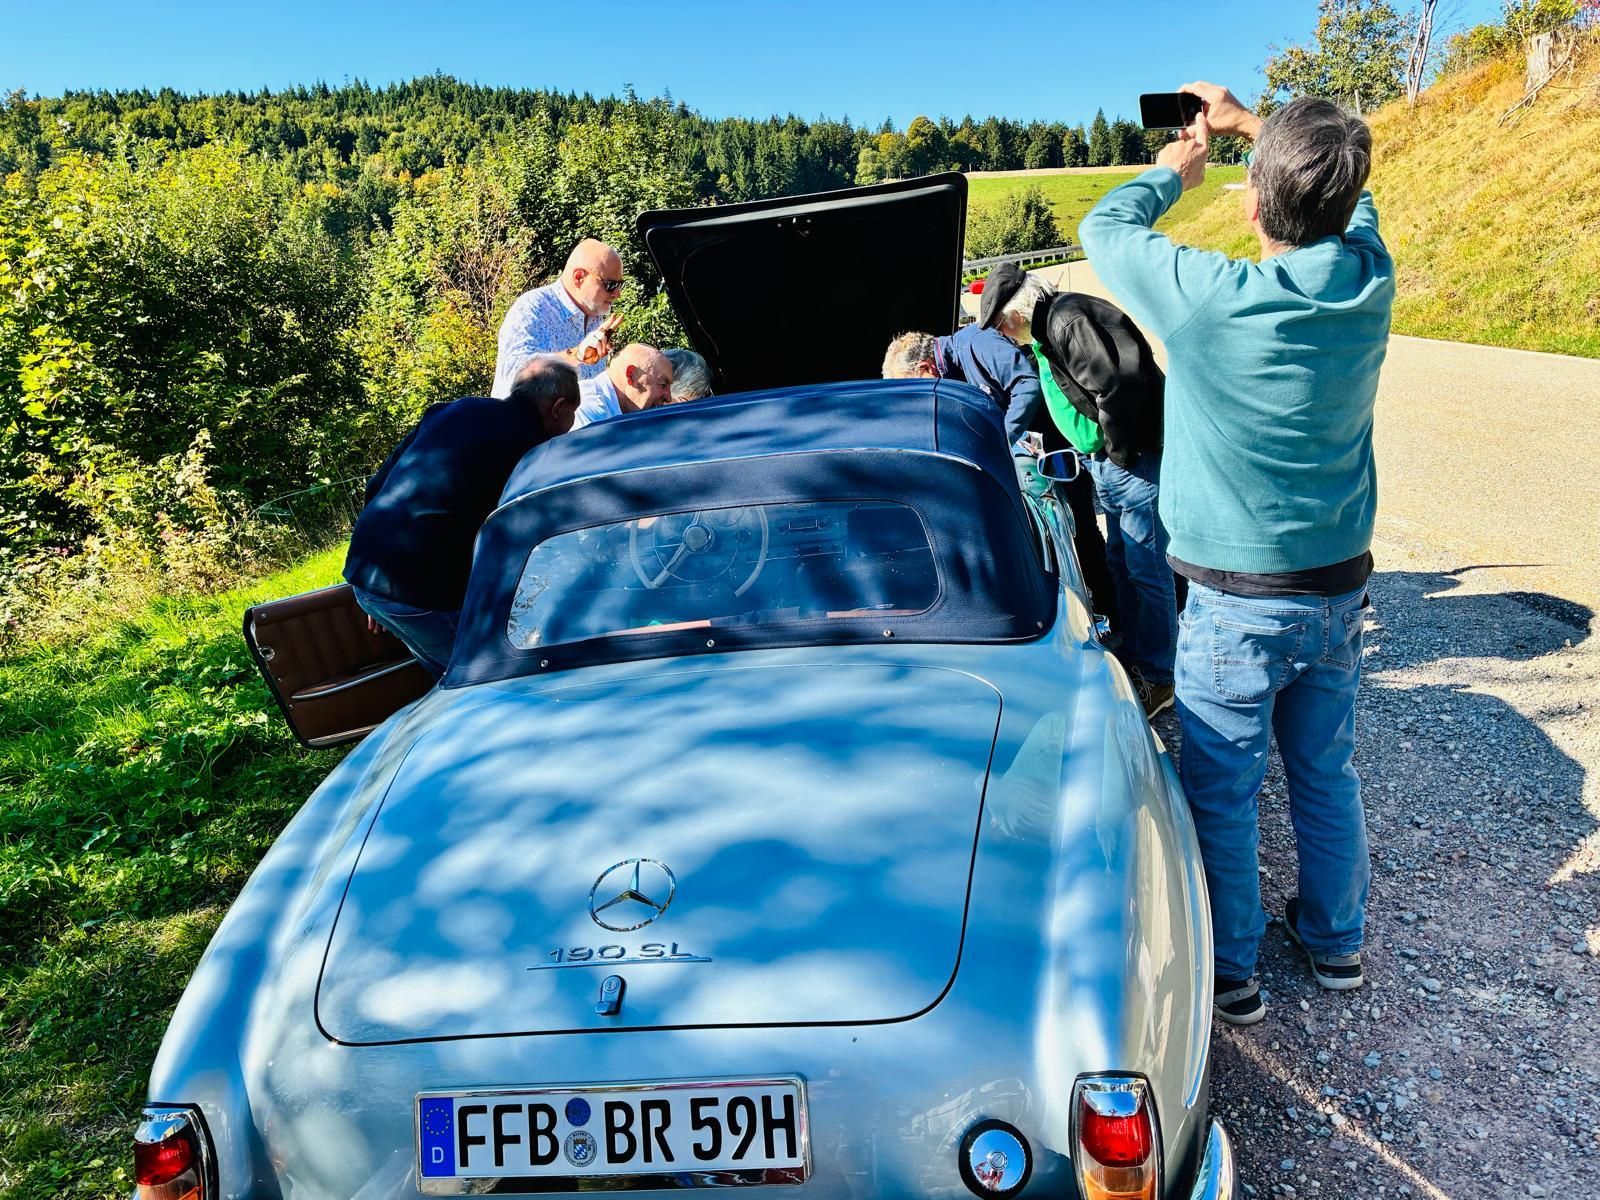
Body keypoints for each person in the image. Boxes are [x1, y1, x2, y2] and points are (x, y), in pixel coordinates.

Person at [1080, 83, 1394, 1026]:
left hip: (1233, 601)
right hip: (1337, 588)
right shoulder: (1368, 282)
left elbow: (1104, 230)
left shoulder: (1212, 302)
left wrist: (1175, 170)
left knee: (1221, 789)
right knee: (1325, 771)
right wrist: (1261, 126)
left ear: (1253, 206)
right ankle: (1336, 941)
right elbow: (1357, 201)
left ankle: (1232, 970)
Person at [980, 264, 1176, 717]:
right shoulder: (1055, 326)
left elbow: (1119, 386)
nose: (1005, 336)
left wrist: (1116, 452)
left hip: (1130, 459)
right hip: (1113, 461)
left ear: (1015, 313)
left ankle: (1160, 675)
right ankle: (1137, 654)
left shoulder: (1068, 321)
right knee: (1123, 562)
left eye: (1002, 325)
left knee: (1147, 568)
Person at [344, 356, 581, 677]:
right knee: (487, 677)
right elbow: (534, 532)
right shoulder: (532, 449)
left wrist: (377, 582)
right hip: (416, 589)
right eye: (573, 413)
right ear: (558, 407)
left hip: (366, 570)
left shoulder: (455, 409)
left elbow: (377, 485)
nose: (571, 423)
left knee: (448, 672)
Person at [881, 316, 1045, 447]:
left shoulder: (976, 342)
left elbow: (1027, 384)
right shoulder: (952, 375)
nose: (921, 398)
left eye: (917, 390)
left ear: (925, 367)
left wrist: (1001, 444)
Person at [490, 239, 624, 398]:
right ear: (579, 277)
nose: (617, 294)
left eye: (620, 285)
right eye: (610, 285)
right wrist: (576, 355)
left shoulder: (596, 318)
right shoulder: (533, 307)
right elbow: (514, 375)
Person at [572, 343, 674, 429]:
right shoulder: (588, 406)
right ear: (631, 375)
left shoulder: (610, 410)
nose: (668, 397)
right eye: (663, 384)